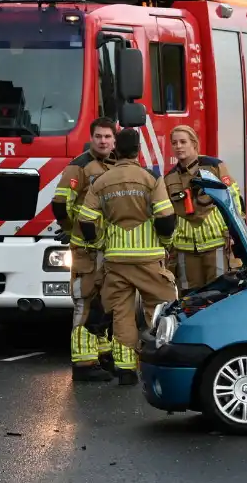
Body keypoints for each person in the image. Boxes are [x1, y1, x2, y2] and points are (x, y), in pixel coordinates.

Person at [76, 128, 178, 386]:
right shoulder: (150, 178)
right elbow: (165, 217)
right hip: (148, 258)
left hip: (116, 260)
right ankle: (164, 361)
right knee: (164, 308)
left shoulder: (102, 181)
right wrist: (166, 243)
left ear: (116, 149)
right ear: (137, 151)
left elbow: (86, 219)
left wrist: (99, 242)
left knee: (120, 313)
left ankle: (125, 370)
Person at [51, 117, 118, 382]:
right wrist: (72, 230)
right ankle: (83, 363)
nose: (103, 141)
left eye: (107, 137)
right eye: (99, 136)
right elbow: (60, 204)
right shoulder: (78, 167)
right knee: (84, 303)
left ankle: (102, 356)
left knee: (104, 304)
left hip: (109, 248)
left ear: (114, 139)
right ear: (91, 138)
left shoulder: (117, 165)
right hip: (86, 249)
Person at [163, 125, 244, 293]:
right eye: (174, 143)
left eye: (183, 142)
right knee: (190, 296)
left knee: (220, 293)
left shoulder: (214, 166)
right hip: (185, 249)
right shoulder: (169, 178)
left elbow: (233, 197)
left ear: (194, 144)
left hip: (216, 244)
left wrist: (233, 232)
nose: (178, 146)